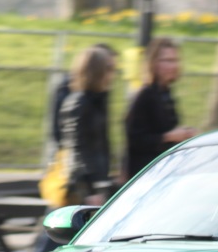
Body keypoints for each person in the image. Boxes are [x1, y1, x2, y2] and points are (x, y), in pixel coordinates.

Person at [123, 37, 197, 181]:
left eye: (176, 60)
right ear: (154, 64)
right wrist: (169, 137)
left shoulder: (165, 93)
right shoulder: (145, 95)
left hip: (162, 172)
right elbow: (135, 139)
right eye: (168, 60)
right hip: (144, 175)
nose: (174, 65)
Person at [57, 45, 117, 206]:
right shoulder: (79, 103)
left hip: (97, 180)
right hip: (83, 184)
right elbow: (77, 148)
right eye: (109, 68)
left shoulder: (97, 101)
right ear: (97, 71)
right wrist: (90, 189)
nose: (112, 74)